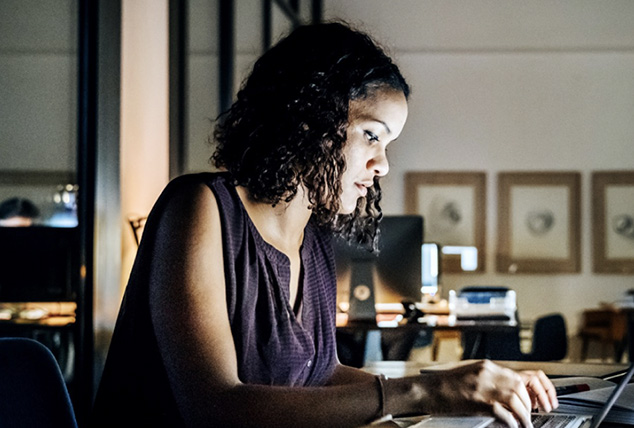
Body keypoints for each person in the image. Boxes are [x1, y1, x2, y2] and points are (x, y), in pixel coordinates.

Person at [92, 22, 557, 428]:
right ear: (310, 119)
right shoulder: (200, 208)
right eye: (371, 135)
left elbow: (321, 374)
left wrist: (452, 389)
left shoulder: (312, 238)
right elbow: (214, 408)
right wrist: (420, 394)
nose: (383, 165)